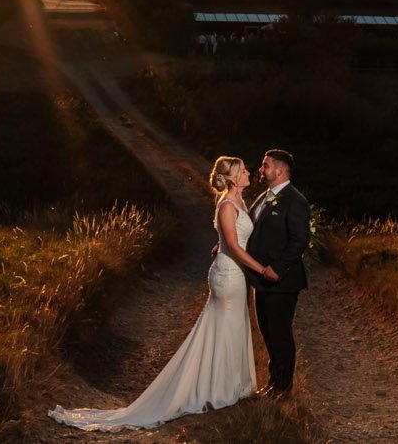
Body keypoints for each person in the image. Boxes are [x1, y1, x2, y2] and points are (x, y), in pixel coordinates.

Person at [49, 155, 273, 431]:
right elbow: (235, 247)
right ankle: (218, 389)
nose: (249, 172)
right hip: (228, 276)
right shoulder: (227, 205)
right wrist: (262, 270)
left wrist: (225, 247)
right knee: (224, 328)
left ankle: (232, 384)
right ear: (232, 178)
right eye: (243, 170)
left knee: (235, 326)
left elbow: (234, 240)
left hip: (237, 274)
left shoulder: (239, 200)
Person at [245, 148, 310, 395]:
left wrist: (278, 268)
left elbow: (300, 239)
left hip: (281, 281)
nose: (261, 169)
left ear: (280, 170)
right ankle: (273, 383)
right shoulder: (264, 197)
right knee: (268, 333)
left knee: (280, 335)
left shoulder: (295, 201)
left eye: (265, 165)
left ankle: (283, 389)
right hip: (262, 279)